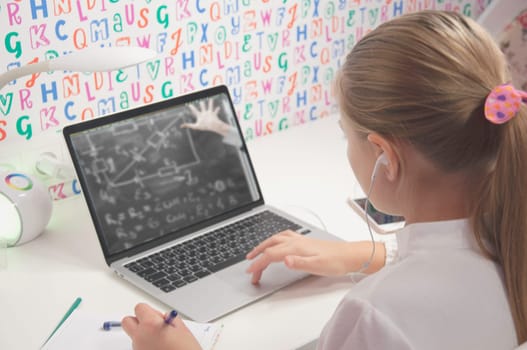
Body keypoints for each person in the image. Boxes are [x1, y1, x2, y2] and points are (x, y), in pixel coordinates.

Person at [121, 10, 526, 349]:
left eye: (345, 135)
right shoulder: (512, 240)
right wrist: (368, 256)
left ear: (385, 157)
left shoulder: (373, 315)